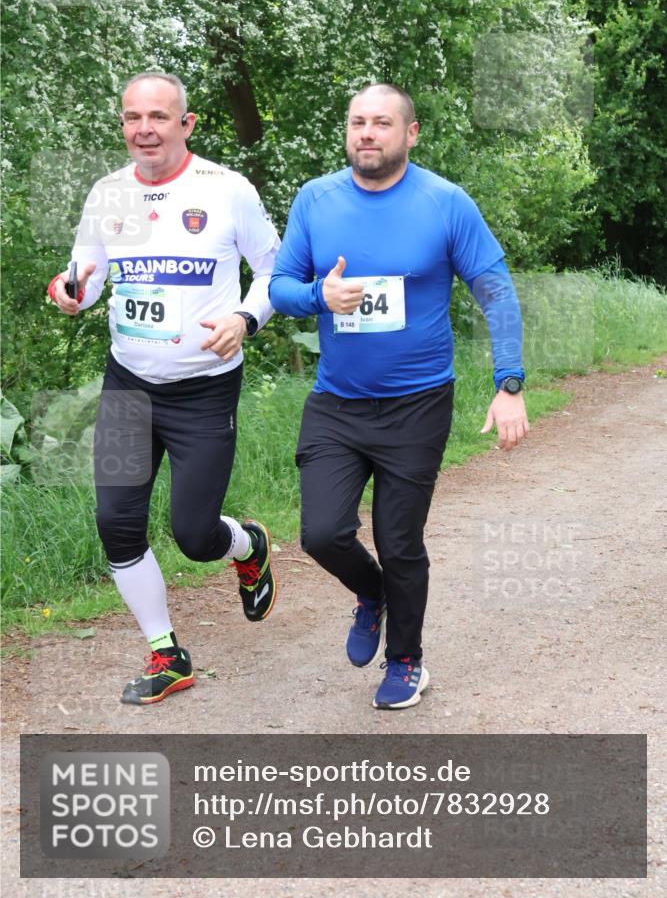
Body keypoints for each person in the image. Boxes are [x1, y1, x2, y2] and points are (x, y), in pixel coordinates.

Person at [269, 83, 529, 710]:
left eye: (382, 123)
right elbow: (279, 287)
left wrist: (509, 383)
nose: (367, 133)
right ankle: (373, 592)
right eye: (357, 121)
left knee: (399, 541)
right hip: (337, 402)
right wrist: (318, 297)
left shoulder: (445, 202)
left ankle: (406, 661)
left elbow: (495, 289)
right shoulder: (316, 199)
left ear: (410, 133)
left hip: (418, 403)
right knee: (321, 534)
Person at [48, 72, 280, 705]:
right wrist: (71, 292)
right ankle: (166, 654)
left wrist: (245, 318)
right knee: (116, 524)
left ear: (186, 123)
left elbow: (274, 269)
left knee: (195, 536)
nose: (144, 129)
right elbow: (86, 275)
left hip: (203, 391)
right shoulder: (108, 193)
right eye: (132, 117)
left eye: (158, 116)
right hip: (128, 386)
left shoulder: (226, 190)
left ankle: (247, 545)